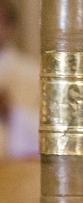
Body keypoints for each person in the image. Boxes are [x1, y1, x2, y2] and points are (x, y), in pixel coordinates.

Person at [0, 1, 38, 158]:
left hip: (14, 171)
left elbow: (49, 135)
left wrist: (10, 112)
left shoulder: (31, 72)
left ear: (10, 27)